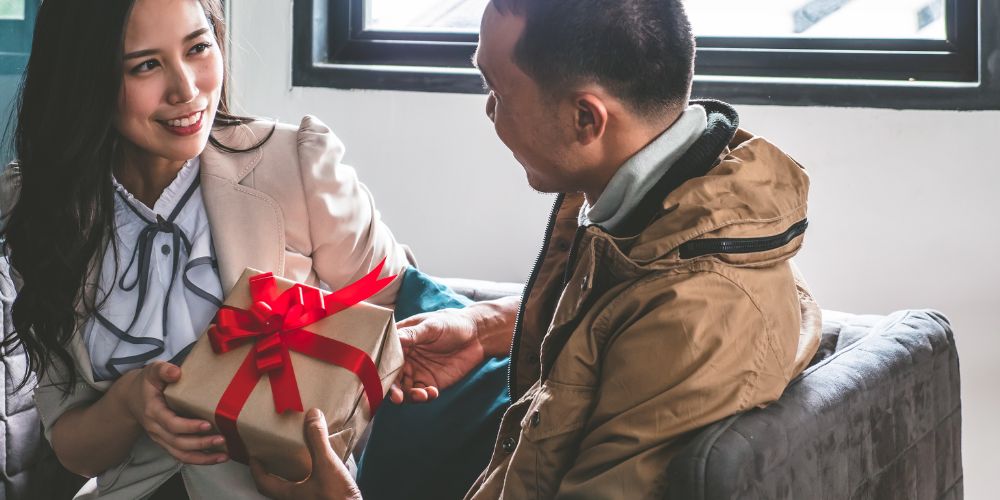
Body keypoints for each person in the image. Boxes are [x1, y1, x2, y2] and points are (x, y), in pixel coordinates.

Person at [251, 0, 823, 499]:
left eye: (496, 89)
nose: (489, 110)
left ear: (585, 117)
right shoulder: (657, 208)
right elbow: (617, 313)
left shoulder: (697, 320)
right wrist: (483, 327)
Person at [0, 0, 410, 498]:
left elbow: (396, 301)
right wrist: (129, 404)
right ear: (85, 78)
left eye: (198, 47)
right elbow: (71, 444)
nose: (188, 89)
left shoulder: (296, 164)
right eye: (145, 65)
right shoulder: (41, 210)